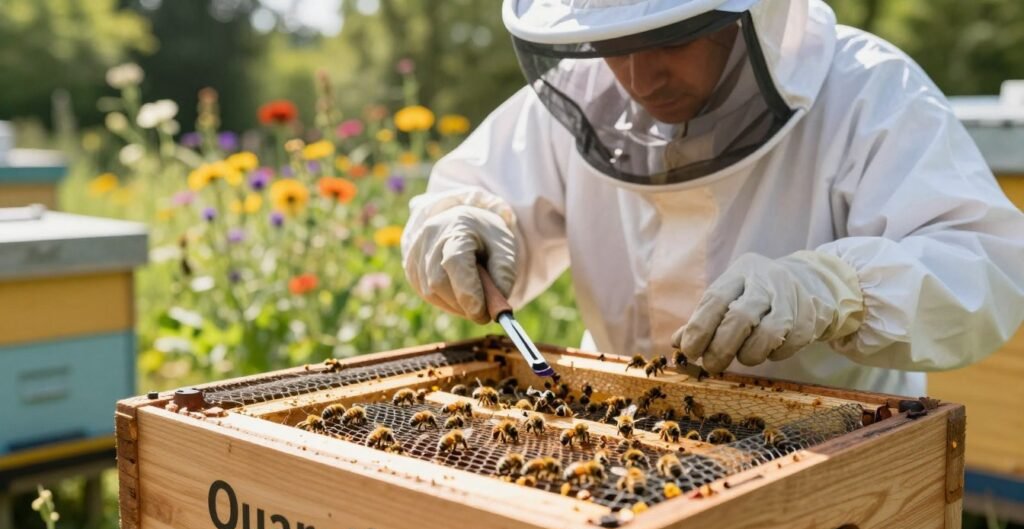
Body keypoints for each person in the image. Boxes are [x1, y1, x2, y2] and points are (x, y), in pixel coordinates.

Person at [401, 0, 1024, 395]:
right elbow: (477, 194)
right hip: (623, 431)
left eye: (671, 40)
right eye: (617, 45)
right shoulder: (583, 90)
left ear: (749, 17)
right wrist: (465, 226)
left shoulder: (870, 92)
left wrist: (836, 288)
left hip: (825, 447)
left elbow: (984, 270)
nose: (640, 79)